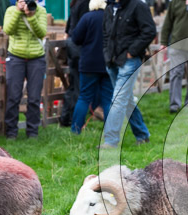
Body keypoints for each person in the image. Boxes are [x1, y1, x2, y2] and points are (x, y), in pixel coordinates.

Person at [101, 0, 156, 148]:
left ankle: (111, 141)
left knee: (118, 100)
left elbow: (149, 31)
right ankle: (142, 135)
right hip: (112, 61)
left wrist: (132, 52)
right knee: (126, 100)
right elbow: (106, 34)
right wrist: (107, 54)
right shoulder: (110, 7)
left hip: (129, 61)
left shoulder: (138, 6)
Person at [3, 0, 47, 139]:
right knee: (13, 96)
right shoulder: (11, 11)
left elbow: (41, 33)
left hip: (36, 58)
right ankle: (11, 132)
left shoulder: (40, 11)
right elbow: (8, 30)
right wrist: (18, 12)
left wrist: (31, 16)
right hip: (16, 57)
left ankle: (32, 132)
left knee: (34, 97)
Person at [70, 0, 113, 135]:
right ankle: (110, 132)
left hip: (88, 64)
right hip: (107, 63)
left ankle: (76, 129)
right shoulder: (111, 17)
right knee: (107, 99)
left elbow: (75, 38)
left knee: (84, 97)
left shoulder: (87, 18)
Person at [60, 0, 90, 127]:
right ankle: (75, 120)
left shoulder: (76, 3)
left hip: (73, 45)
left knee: (73, 85)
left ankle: (65, 118)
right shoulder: (85, 4)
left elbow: (69, 27)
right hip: (79, 47)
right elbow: (82, 28)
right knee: (79, 87)